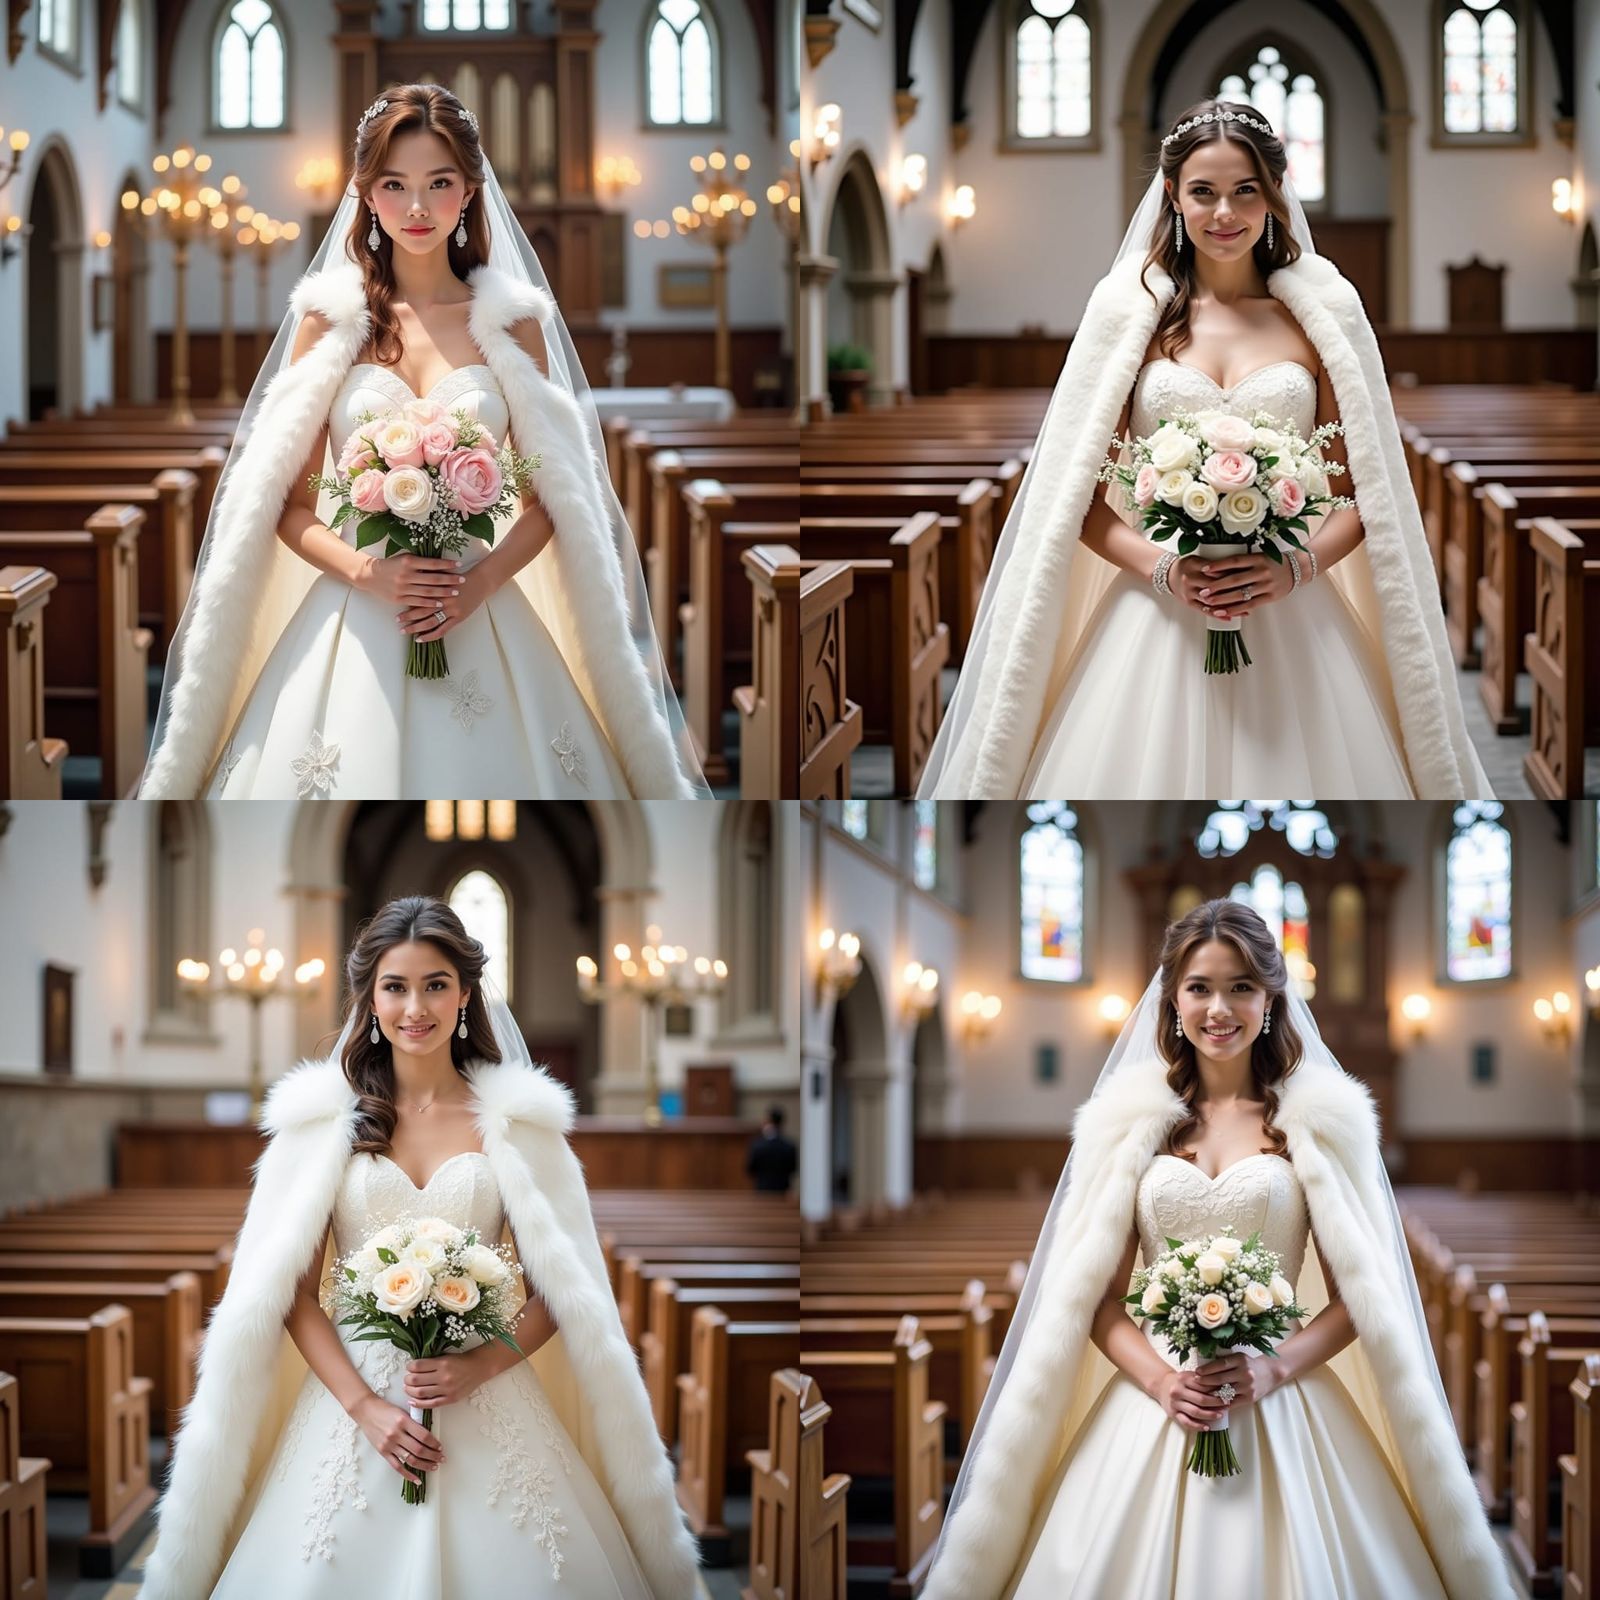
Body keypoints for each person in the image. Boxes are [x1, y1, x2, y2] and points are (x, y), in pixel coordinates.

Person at [924, 899, 1510, 1600]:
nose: (1219, 1008)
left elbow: (1363, 1296)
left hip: (1278, 1388)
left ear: (1271, 999)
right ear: (1172, 998)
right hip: (1158, 1392)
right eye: (1200, 987)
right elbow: (1097, 1299)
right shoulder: (1126, 1126)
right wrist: (1163, 1383)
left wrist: (1271, 1370)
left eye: (1240, 987)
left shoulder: (1320, 1124)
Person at [139, 83, 707, 800]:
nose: (416, 207)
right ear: (366, 196)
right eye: (395, 184)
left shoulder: (509, 322)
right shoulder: (328, 322)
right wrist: (369, 574)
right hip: (358, 601)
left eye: (439, 184)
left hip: (479, 601)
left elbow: (550, 501)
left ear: (469, 192)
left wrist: (479, 586)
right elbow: (285, 506)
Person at [918, 99, 1492, 801]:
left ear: (1274, 195)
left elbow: (1361, 493)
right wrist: (1167, 570)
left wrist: (1296, 569)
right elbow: (1079, 500)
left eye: (1245, 190)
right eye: (1204, 191)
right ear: (1172, 196)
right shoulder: (1130, 317)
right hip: (1156, 606)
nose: (1225, 212)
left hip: (1289, 602)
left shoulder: (1320, 318)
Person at [140, 896, 699, 1599]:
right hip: (355, 1399)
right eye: (395, 986)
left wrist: (480, 1366)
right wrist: (366, 1409)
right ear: (370, 999)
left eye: (436, 984)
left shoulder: (520, 1125)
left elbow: (567, 1288)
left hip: (484, 1394)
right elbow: (289, 1294)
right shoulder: (322, 1125)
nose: (416, 1007)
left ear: (466, 993)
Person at [746, 1105, 798, 1193]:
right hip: (783, 1191)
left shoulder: (758, 1145)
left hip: (763, 1191)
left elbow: (750, 1169)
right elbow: (793, 1169)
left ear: (768, 1121)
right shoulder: (789, 1145)